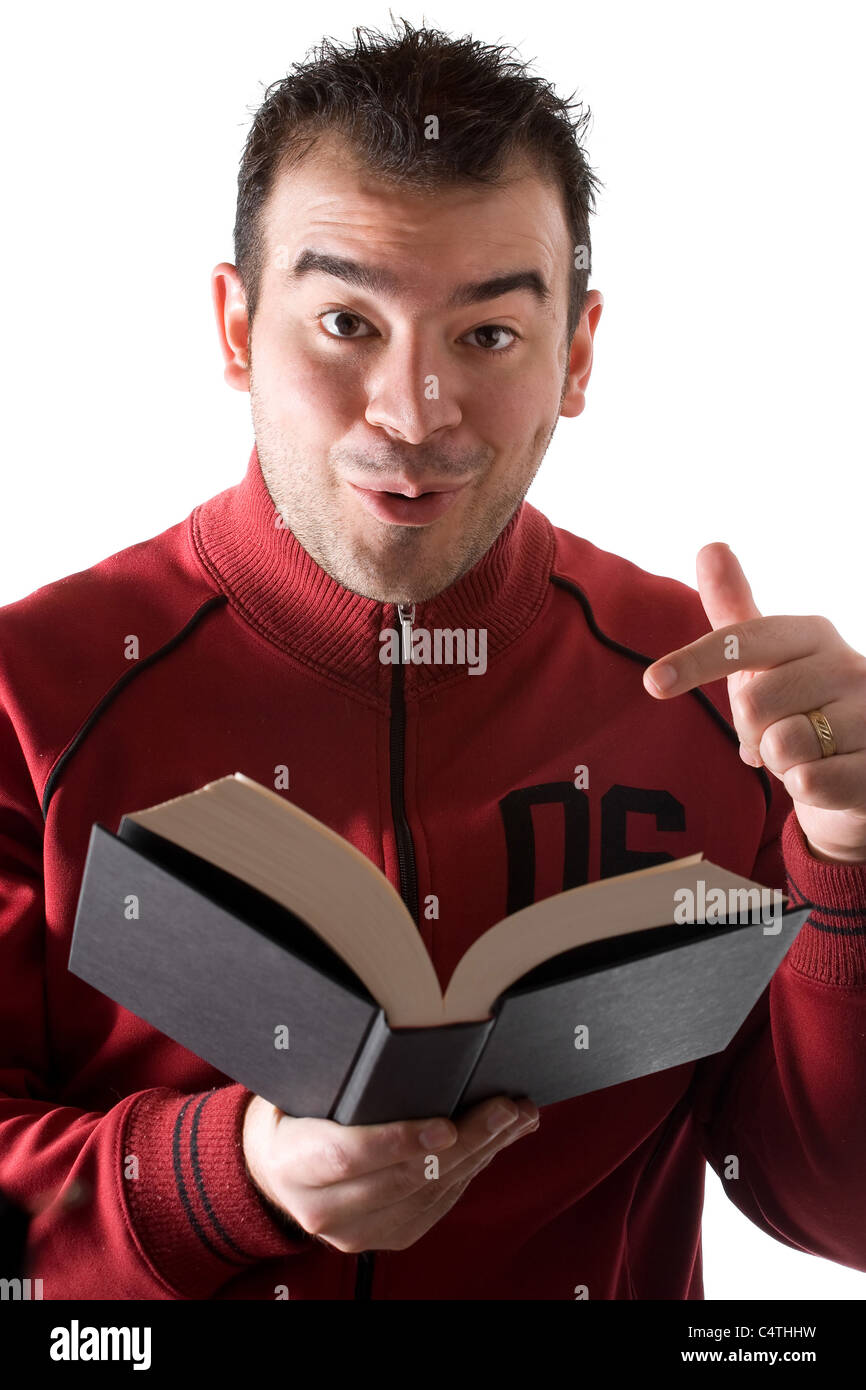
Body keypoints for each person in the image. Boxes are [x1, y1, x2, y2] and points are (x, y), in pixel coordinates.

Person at [1, 19, 864, 1302]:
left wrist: (845, 868)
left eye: (487, 336)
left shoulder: (721, 707)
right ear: (236, 327)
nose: (412, 414)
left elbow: (830, 1209)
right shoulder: (29, 695)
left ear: (575, 354)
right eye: (346, 321)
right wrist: (228, 1171)